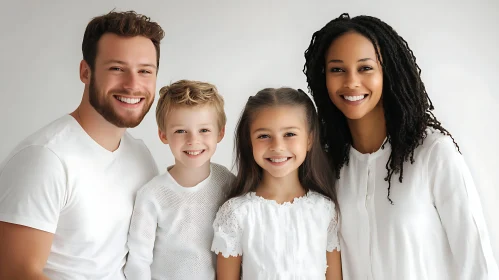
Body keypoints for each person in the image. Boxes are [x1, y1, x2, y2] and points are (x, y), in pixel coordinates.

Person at [303, 12, 499, 280]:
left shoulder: (433, 153)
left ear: (388, 72)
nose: (351, 82)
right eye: (337, 69)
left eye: (365, 67)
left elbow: (478, 263)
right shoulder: (329, 165)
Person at [0, 10, 164, 280]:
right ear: (85, 72)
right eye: (117, 68)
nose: (133, 84)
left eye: (145, 71)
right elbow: (15, 272)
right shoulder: (45, 158)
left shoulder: (140, 155)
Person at [211, 87, 342, 280]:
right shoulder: (236, 213)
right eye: (264, 136)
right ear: (249, 142)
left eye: (289, 134)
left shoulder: (325, 210)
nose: (277, 147)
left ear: (309, 139)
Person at [124, 80, 235, 280]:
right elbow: (138, 260)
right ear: (163, 134)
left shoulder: (226, 181)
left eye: (204, 130)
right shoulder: (152, 195)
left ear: (220, 133)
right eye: (181, 131)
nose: (193, 140)